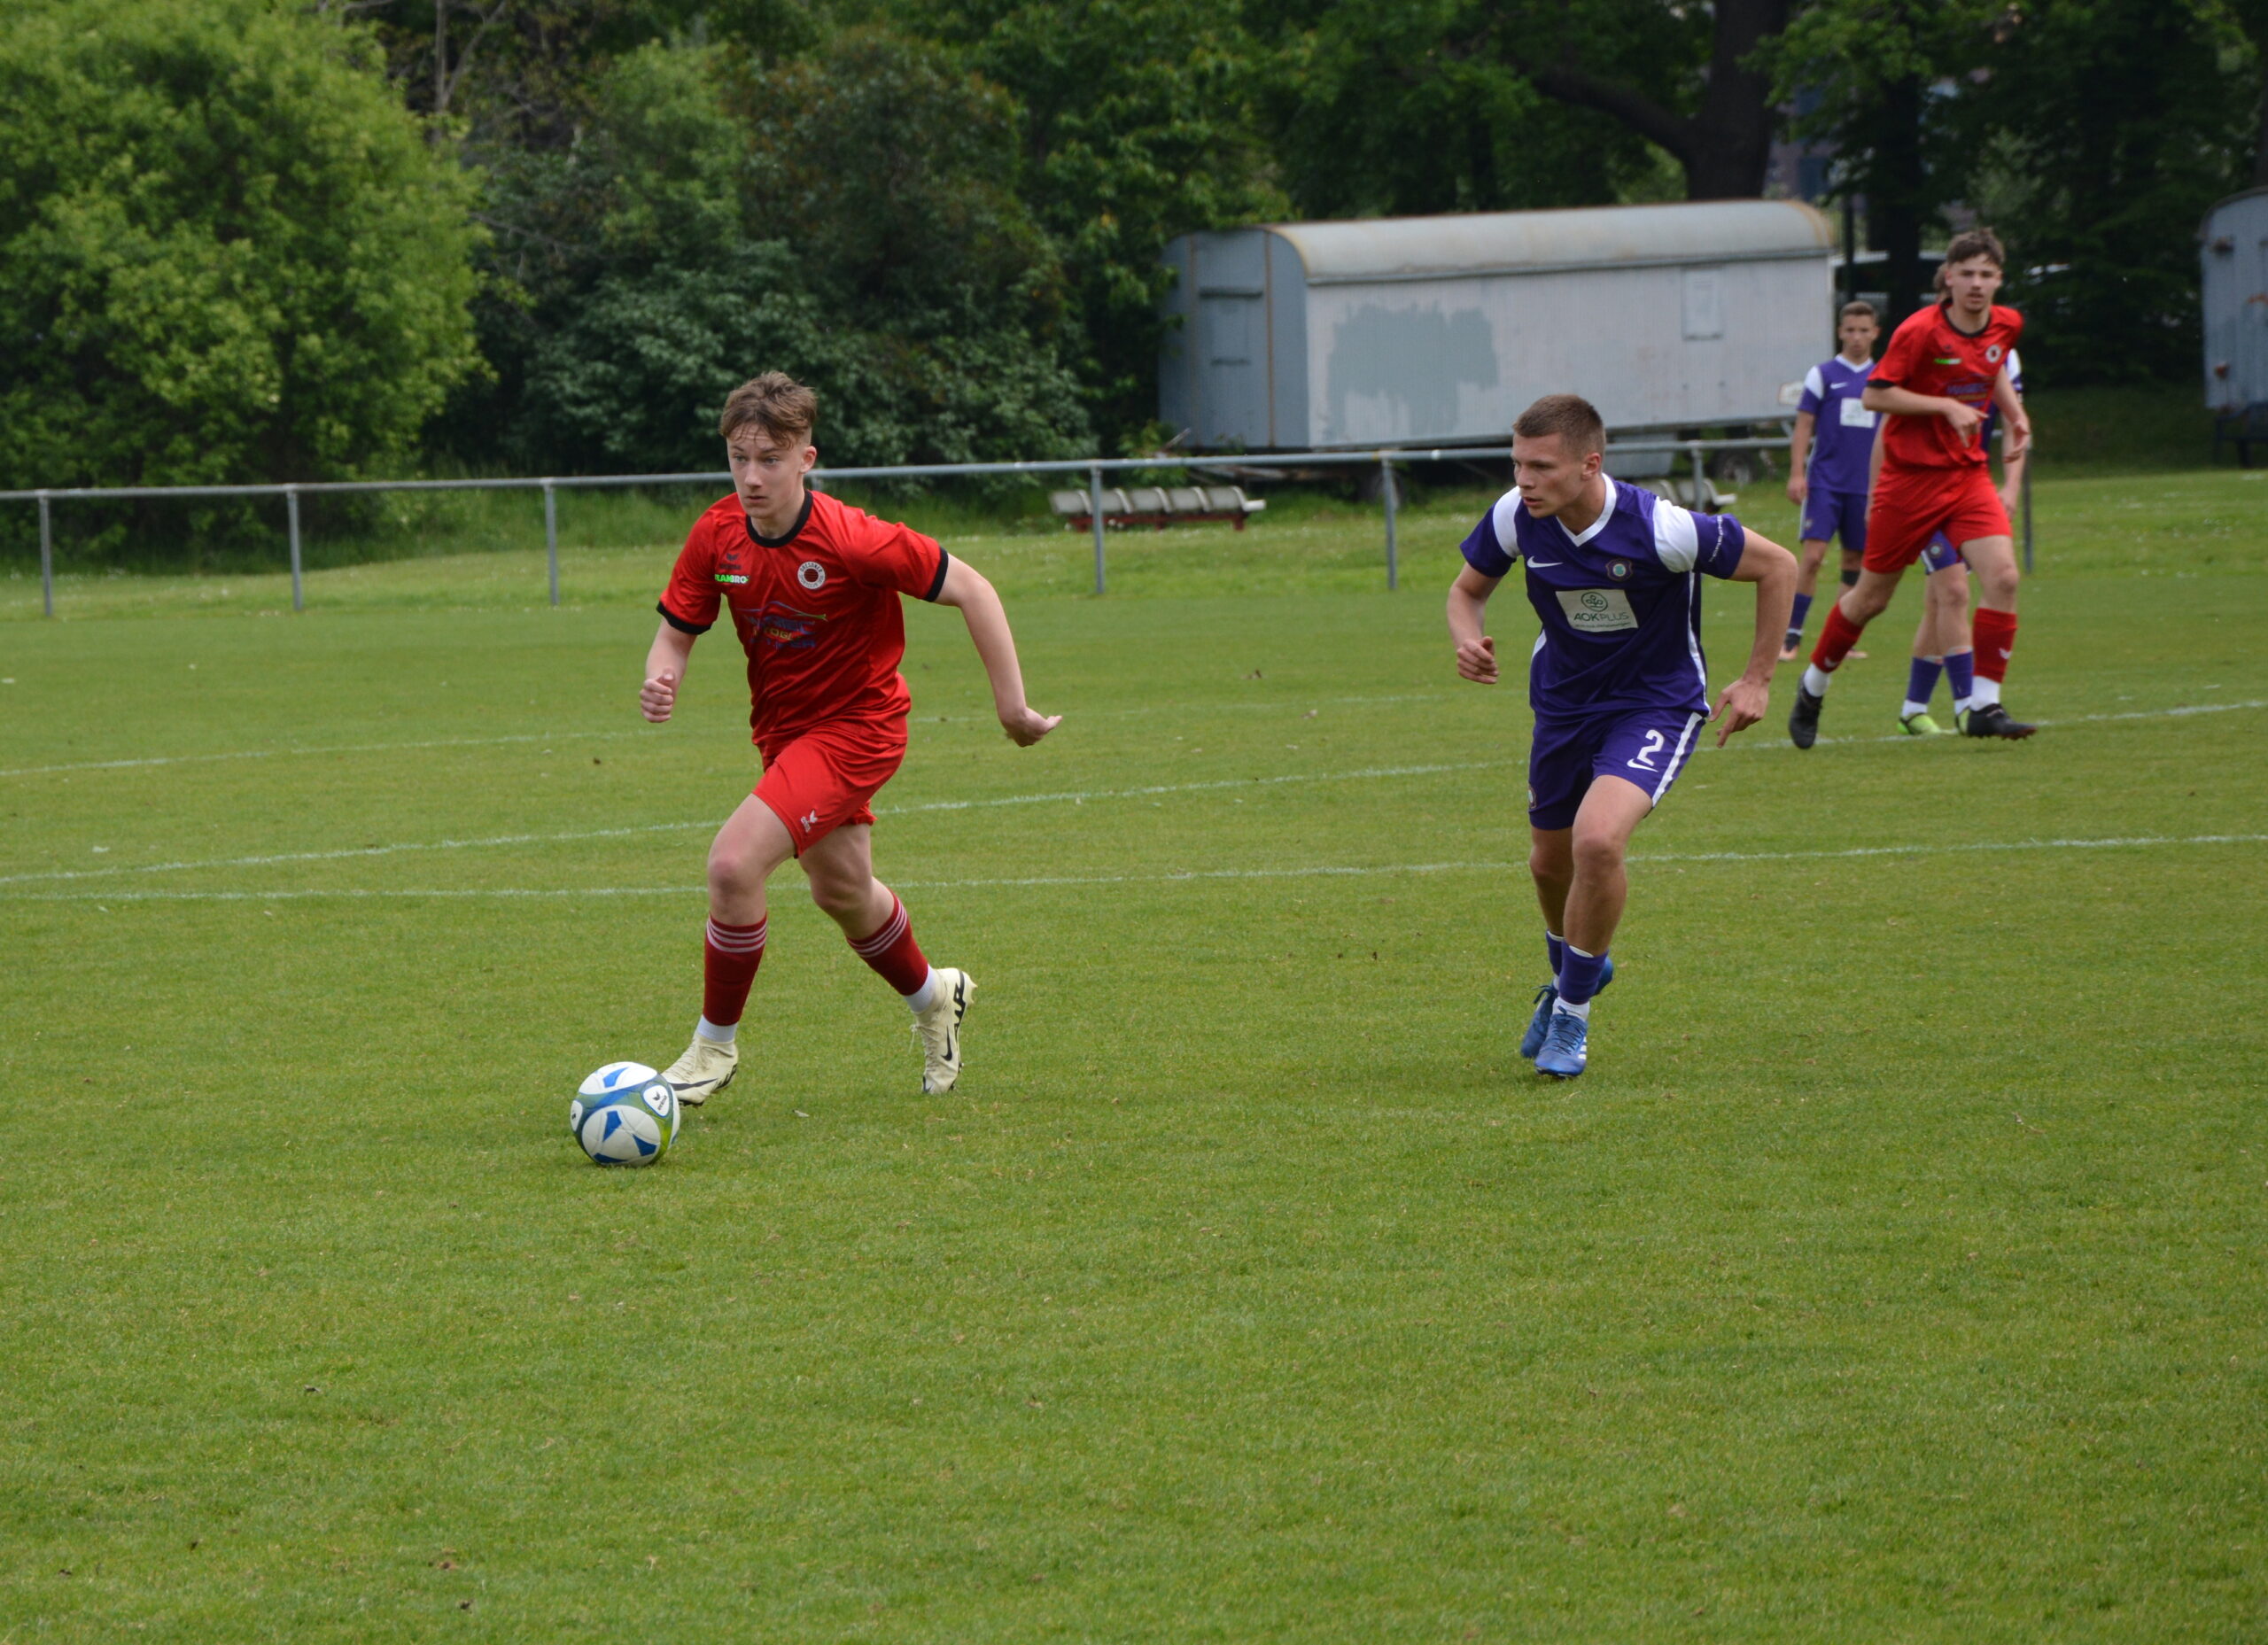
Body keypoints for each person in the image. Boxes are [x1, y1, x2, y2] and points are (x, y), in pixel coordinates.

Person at [640, 373, 1060, 1104]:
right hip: (785, 734)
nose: (751, 476)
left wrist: (1013, 709)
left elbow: (973, 589)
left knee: (733, 866)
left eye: (770, 459)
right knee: (841, 889)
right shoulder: (718, 533)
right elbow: (675, 634)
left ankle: (713, 1047)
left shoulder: (851, 538)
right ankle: (936, 996)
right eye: (739, 458)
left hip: (859, 729)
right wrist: (661, 676)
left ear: (806, 459)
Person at [1447, 394, 1796, 1079]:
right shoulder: (1516, 515)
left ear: (1590, 464)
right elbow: (1467, 591)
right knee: (1548, 864)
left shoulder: (1661, 528)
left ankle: (1571, 1016)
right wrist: (1467, 640)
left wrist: (1758, 678)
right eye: (1518, 464)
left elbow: (1778, 566)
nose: (1524, 480)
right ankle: (1577, 968)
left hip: (1653, 705)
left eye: (1542, 467)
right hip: (1563, 707)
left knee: (1598, 840)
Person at [1789, 229, 2035, 746]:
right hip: (1909, 483)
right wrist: (1944, 406)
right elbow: (1876, 397)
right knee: (1869, 599)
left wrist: (2015, 417)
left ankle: (1983, 705)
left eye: (1987, 274)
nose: (1976, 283)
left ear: (1999, 280)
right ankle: (1813, 685)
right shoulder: (1919, 331)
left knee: (2004, 578)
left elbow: (1990, 368)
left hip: (1967, 477)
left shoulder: (2007, 324)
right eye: (1966, 273)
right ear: (1949, 278)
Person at [1897, 346, 2028, 734]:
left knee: (1941, 599)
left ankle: (1912, 709)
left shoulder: (2003, 355)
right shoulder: (1922, 345)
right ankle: (1968, 705)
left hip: (1967, 493)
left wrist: (2011, 487)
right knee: (1952, 591)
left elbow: (2015, 421)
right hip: (1919, 489)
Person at [1781, 300, 1884, 662]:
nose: (1857, 337)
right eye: (1850, 330)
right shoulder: (1823, 375)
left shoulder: (1884, 377)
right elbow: (1804, 426)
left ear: (1875, 333)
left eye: (1863, 330)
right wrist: (1797, 473)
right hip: (1825, 482)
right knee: (1813, 557)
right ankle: (1790, 637)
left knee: (1855, 560)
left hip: (1865, 486)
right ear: (1840, 332)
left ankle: (1840, 640)